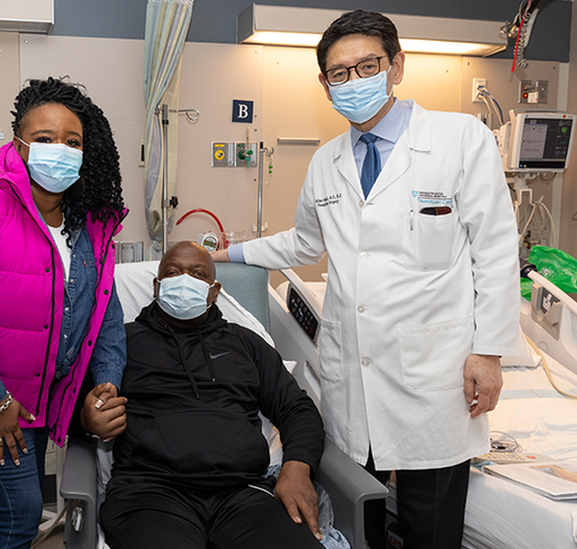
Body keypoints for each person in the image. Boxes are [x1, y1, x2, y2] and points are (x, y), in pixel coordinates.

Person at [211, 10, 519, 549]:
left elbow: (494, 250)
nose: (353, 81)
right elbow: (304, 242)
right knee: (361, 516)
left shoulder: (460, 138)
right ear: (326, 86)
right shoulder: (327, 162)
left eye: (367, 66)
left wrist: (489, 352)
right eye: (339, 73)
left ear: (396, 66)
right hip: (353, 376)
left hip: (435, 378)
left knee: (431, 526)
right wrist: (231, 250)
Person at [0, 77, 127, 549]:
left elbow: (104, 311)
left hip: (37, 395)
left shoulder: (87, 223)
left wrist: (107, 380)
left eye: (71, 142)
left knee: (24, 507)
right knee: (20, 511)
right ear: (18, 144)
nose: (60, 150)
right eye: (44, 139)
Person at [93, 242, 325, 549]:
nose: (184, 280)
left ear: (214, 292)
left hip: (242, 494)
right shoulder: (120, 343)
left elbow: (297, 409)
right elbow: (73, 405)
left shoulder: (246, 345)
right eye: (173, 272)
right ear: (156, 286)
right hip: (150, 494)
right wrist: (88, 417)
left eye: (198, 274)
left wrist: (297, 466)